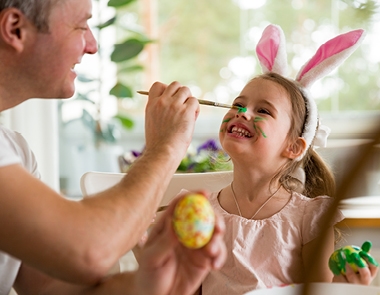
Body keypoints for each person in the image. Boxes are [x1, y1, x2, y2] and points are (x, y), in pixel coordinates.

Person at [0, 0, 226, 294]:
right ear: (15, 29)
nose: (92, 46)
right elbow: (87, 252)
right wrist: (166, 147)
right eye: (81, 26)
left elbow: (47, 288)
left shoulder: (14, 150)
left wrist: (148, 284)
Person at [190, 24, 378, 294]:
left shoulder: (308, 217)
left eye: (263, 110)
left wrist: (347, 285)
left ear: (293, 147)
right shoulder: (201, 212)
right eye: (238, 104)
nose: (242, 113)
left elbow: (319, 289)